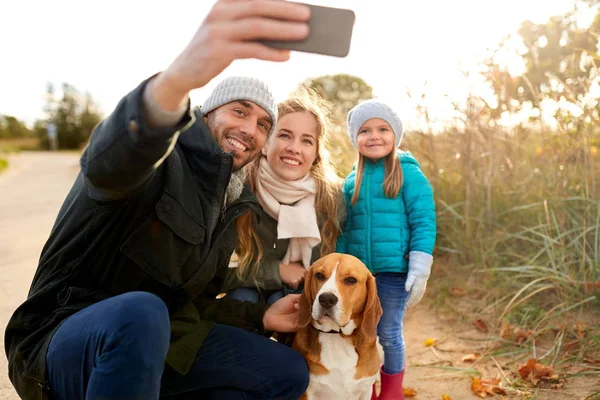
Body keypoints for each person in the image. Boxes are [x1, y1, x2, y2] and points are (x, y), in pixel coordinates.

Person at [4, 1, 315, 399]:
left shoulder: (233, 203)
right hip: (63, 341)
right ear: (206, 114)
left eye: (262, 124)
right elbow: (109, 165)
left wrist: (260, 314)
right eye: (239, 111)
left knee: (284, 370)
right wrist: (176, 82)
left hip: (157, 343)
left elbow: (193, 306)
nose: (250, 129)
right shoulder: (160, 157)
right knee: (142, 312)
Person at [336, 99, 437, 400]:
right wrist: (337, 270)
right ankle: (364, 385)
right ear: (355, 138)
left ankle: (392, 390)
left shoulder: (408, 173)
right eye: (365, 130)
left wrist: (419, 266)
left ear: (395, 135)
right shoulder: (351, 181)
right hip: (359, 276)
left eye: (383, 129)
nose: (374, 136)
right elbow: (344, 229)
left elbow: (424, 220)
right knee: (359, 331)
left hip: (394, 272)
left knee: (388, 333)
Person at [223, 88, 343, 307]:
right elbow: (216, 271)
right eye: (284, 135)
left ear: (316, 154)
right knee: (242, 299)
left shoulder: (332, 198)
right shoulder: (239, 188)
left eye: (307, 141)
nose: (294, 148)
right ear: (266, 143)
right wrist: (277, 271)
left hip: (303, 292)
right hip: (248, 289)